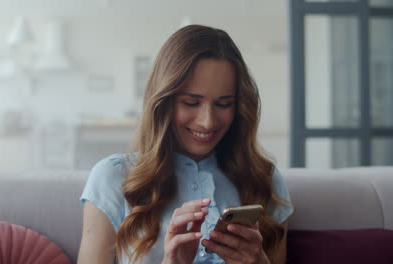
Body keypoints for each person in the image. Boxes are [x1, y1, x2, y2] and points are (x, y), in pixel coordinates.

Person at [77, 25, 294, 264]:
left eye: (223, 104)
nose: (207, 121)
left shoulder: (264, 180)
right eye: (191, 102)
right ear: (163, 102)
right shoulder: (113, 177)